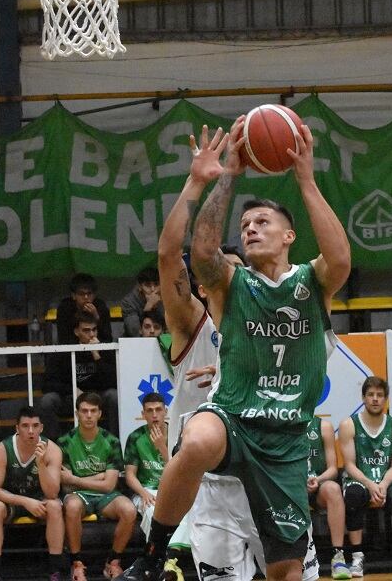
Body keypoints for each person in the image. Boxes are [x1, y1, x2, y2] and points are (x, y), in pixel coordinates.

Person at [134, 114, 350, 581]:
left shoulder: (310, 282)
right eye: (246, 224)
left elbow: (340, 259)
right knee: (197, 439)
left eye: (263, 221)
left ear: (290, 236)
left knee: (288, 574)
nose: (250, 228)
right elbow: (197, 256)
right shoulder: (230, 289)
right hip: (233, 426)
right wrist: (226, 175)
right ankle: (151, 556)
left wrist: (306, 181)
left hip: (285, 443)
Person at [339, 376, 392, 576]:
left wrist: (384, 485)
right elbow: (349, 465)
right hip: (360, 479)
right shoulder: (348, 425)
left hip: (388, 479)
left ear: (386, 399)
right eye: (370, 395)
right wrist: (370, 484)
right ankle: (357, 556)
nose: (375, 399)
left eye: (379, 395)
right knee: (353, 495)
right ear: (363, 398)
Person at [58, 392, 136, 581]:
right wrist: (98, 477)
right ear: (77, 413)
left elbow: (109, 485)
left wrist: (76, 478)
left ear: (100, 413)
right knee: (72, 506)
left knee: (129, 509)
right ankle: (76, 564)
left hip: (105, 497)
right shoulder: (64, 442)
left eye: (93, 411)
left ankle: (113, 562)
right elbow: (65, 484)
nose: (89, 415)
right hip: (78, 495)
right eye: (84, 411)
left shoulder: (112, 441)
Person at [0, 406, 65, 581]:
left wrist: (41, 463)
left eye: (35, 426)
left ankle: (55, 571)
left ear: (41, 428)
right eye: (25, 426)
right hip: (12, 501)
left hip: (40, 500)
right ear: (17, 428)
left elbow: (52, 493)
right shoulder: (3, 448)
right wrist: (25, 501)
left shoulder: (52, 450)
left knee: (55, 506)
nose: (30, 431)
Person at [39, 311, 118, 440]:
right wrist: (73, 390)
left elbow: (113, 381)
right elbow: (47, 383)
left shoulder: (105, 348)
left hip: (97, 396)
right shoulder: (63, 349)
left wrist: (97, 355)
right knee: (47, 401)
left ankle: (114, 443)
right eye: (86, 330)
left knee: (114, 396)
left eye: (94, 330)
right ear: (77, 331)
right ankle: (53, 447)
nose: (92, 334)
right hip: (70, 397)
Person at [306, 415, 350, 579]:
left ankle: (338, 556)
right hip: (293, 485)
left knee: (333, 489)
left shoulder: (323, 426)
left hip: (317, 484)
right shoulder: (281, 424)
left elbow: (332, 469)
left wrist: (317, 480)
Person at [124, 392, 169, 539]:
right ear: (144, 414)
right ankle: (158, 555)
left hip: (172, 488)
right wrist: (144, 493)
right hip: (145, 490)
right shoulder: (135, 437)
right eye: (150, 411)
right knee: (153, 512)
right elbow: (130, 475)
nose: (154, 415)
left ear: (166, 412)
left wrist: (163, 448)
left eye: (158, 410)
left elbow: (181, 472)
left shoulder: (179, 433)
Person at [55, 273, 113, 345]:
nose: (86, 297)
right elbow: (63, 338)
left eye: (89, 293)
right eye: (81, 294)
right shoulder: (65, 308)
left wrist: (97, 317)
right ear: (73, 295)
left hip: (97, 346)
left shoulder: (101, 307)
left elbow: (108, 338)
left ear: (94, 295)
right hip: (73, 348)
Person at [121, 267, 164, 338]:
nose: (153, 289)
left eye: (156, 284)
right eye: (147, 285)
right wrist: (148, 307)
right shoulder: (128, 302)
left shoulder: (167, 299)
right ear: (140, 287)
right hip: (133, 343)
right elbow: (134, 332)